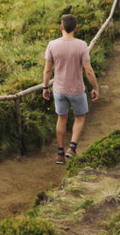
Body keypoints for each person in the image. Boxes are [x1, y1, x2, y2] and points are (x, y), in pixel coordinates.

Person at [42, 14, 99, 164]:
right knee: (79, 117)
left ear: (61, 27)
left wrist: (45, 87)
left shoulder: (52, 45)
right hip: (77, 90)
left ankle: (60, 154)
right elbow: (88, 70)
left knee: (62, 118)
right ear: (75, 28)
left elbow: (48, 70)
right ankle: (72, 148)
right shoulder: (81, 45)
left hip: (59, 89)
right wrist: (95, 87)